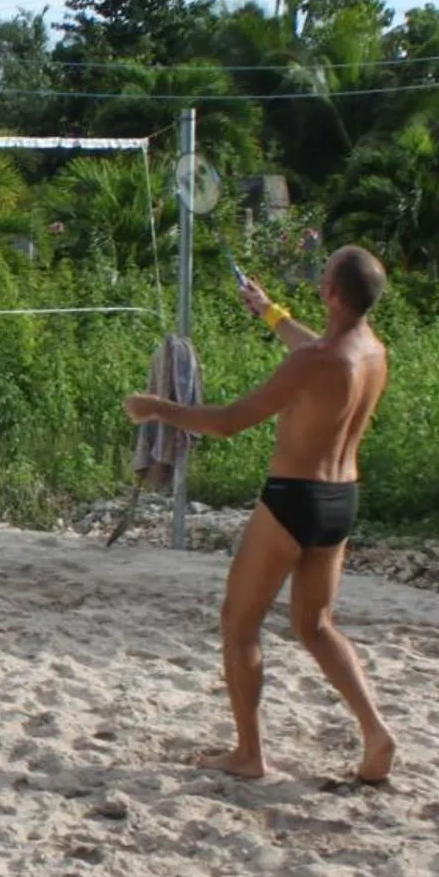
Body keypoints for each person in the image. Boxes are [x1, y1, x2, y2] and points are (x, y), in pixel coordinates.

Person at [123, 245, 397, 783]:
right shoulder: (371, 353)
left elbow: (229, 421)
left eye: (323, 275)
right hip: (341, 500)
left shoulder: (313, 362)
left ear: (332, 293)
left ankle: (249, 753)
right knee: (316, 626)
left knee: (239, 622)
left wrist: (156, 408)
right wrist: (269, 311)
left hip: (293, 498)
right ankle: (376, 730)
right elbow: (318, 352)